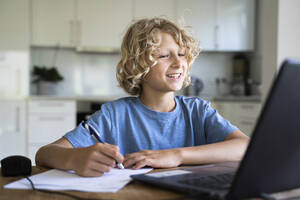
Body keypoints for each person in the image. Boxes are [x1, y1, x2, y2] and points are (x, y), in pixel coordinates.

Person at [35, 17, 249, 177]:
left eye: (182, 54)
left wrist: (176, 155)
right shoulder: (114, 115)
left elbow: (245, 147)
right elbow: (44, 154)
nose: (178, 62)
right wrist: (74, 158)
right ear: (135, 65)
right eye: (164, 55)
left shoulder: (198, 111)